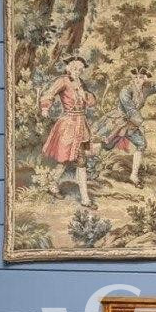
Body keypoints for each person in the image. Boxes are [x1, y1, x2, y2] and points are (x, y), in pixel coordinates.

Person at [100, 60, 156, 186]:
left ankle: (133, 175)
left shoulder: (145, 90)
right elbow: (130, 109)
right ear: (133, 78)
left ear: (145, 79)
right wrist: (142, 123)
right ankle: (91, 168)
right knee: (104, 144)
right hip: (117, 122)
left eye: (141, 77)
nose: (138, 79)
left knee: (141, 144)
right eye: (136, 77)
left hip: (131, 125)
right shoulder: (126, 90)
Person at [40, 54, 97, 208]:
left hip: (81, 124)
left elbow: (91, 102)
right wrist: (45, 108)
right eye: (75, 68)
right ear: (69, 68)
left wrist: (85, 95)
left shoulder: (81, 83)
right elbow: (49, 94)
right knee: (71, 159)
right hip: (68, 124)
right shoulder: (63, 81)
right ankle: (81, 198)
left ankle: (79, 196)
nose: (78, 71)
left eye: (80, 69)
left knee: (74, 159)